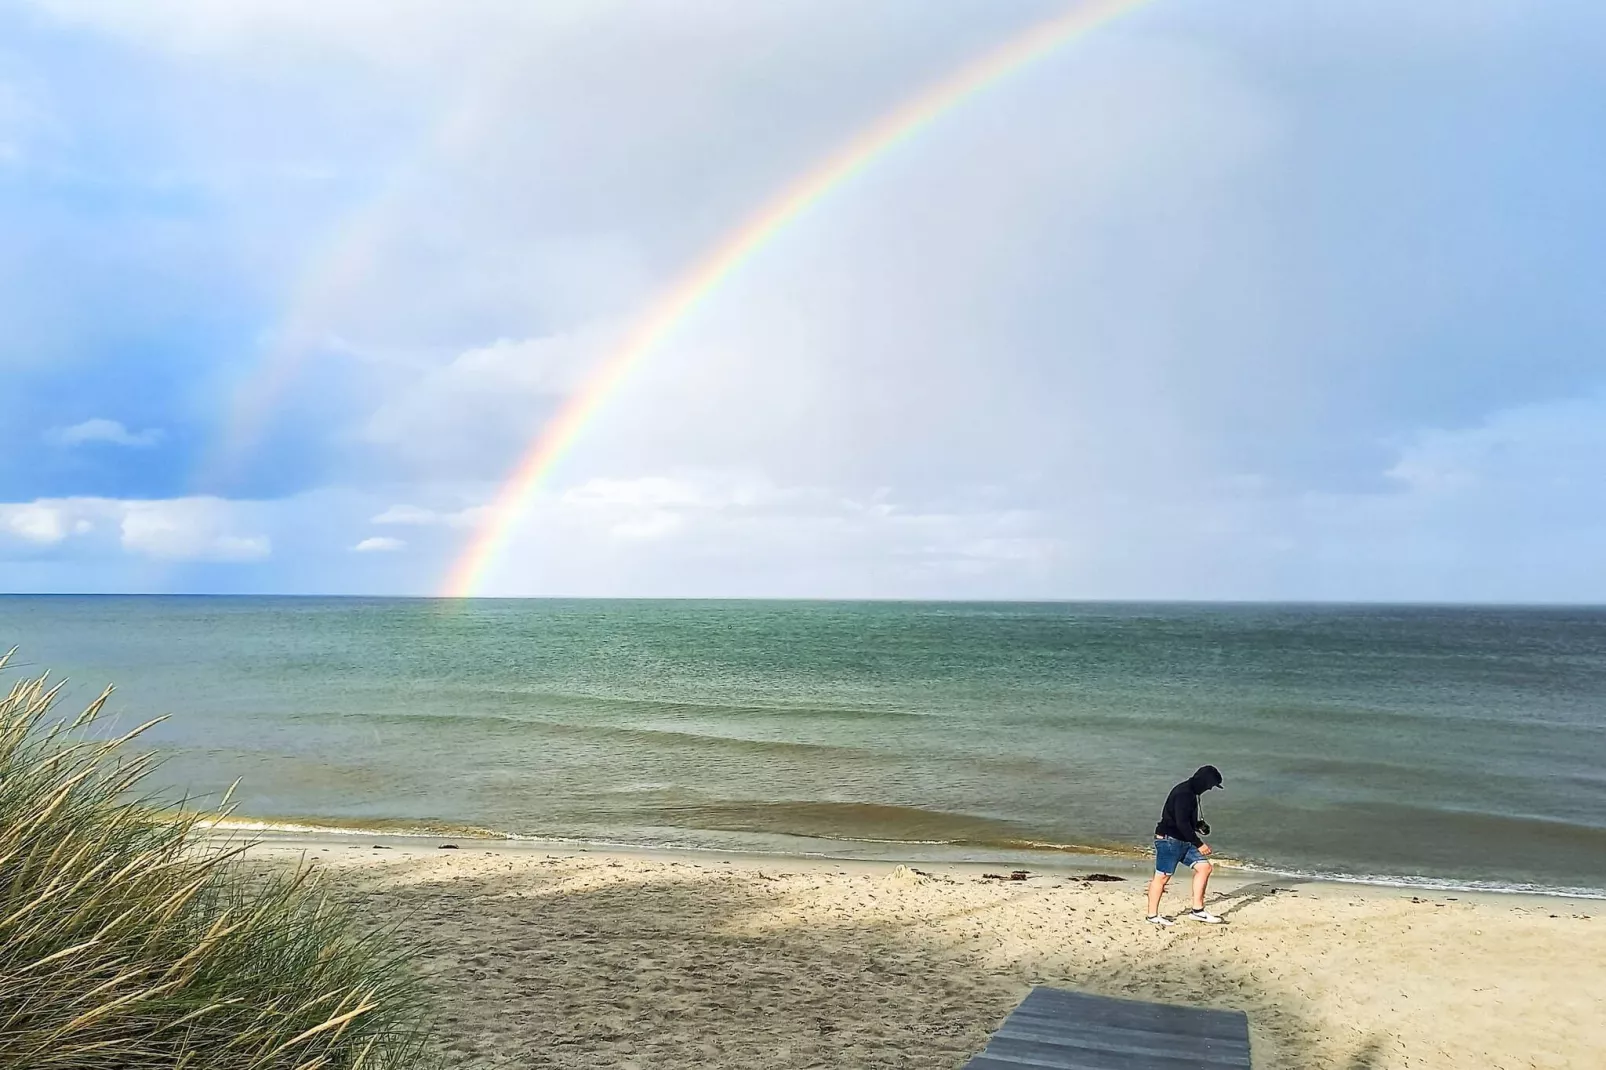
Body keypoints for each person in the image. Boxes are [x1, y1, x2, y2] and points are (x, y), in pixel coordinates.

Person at [1145, 764, 1225, 925]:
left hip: (1183, 840)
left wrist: (1197, 826)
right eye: (1211, 785)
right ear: (1204, 781)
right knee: (1162, 877)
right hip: (1168, 840)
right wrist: (1199, 844)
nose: (1210, 789)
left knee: (1204, 868)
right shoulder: (1184, 794)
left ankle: (1198, 911)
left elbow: (1183, 821)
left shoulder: (1191, 792)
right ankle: (1152, 916)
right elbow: (1181, 823)